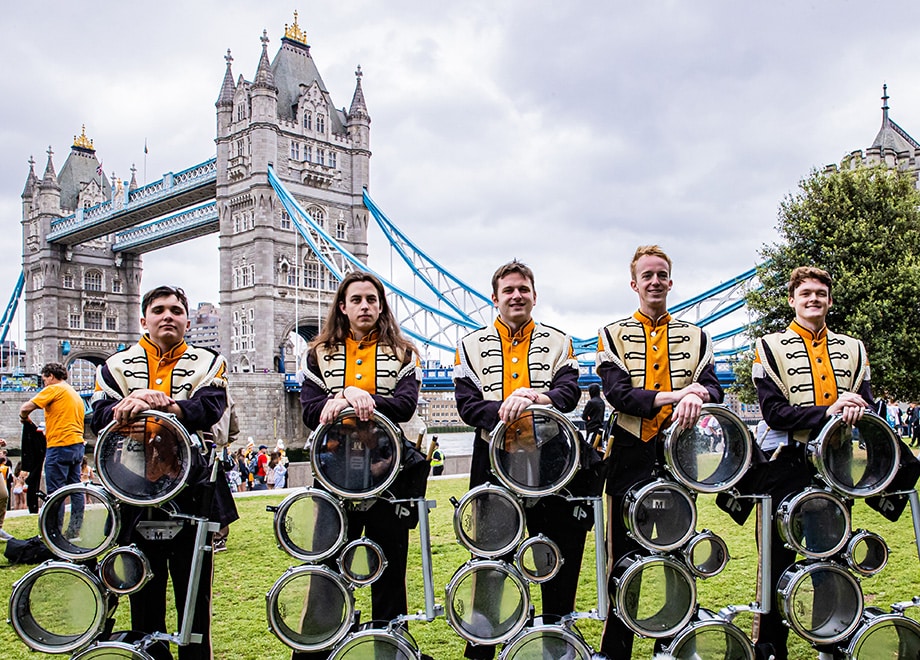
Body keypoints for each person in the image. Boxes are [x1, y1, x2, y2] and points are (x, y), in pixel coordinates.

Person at [90, 285, 237, 660]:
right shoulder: (113, 366)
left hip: (193, 490)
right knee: (142, 592)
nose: (167, 316)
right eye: (158, 310)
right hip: (134, 489)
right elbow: (97, 417)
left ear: (187, 321)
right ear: (144, 320)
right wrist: (129, 403)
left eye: (175, 310)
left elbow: (209, 407)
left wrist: (165, 404)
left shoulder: (211, 361)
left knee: (195, 596)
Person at [596, 245, 723, 658]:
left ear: (671, 281)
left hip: (677, 457)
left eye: (661, 275)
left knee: (677, 556)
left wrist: (699, 392)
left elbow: (716, 388)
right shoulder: (610, 333)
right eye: (647, 275)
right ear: (634, 283)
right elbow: (618, 395)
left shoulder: (698, 336)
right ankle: (618, 649)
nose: (655, 282)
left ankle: (674, 644)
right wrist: (678, 394)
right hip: (629, 454)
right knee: (623, 560)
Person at [453, 260, 582, 660]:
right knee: (489, 561)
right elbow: (467, 406)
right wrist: (507, 408)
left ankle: (556, 644)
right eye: (508, 290)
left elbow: (569, 392)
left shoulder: (561, 341)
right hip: (492, 462)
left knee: (553, 556)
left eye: (523, 289)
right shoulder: (468, 345)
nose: (516, 296)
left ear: (534, 295)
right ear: (495, 298)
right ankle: (483, 647)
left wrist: (533, 398)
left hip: (551, 463)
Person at [297, 271, 425, 660]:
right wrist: (341, 399)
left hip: (388, 473)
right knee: (327, 571)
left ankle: (390, 650)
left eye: (372, 299)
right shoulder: (315, 354)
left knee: (389, 572)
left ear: (381, 305)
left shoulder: (405, 351)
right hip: (334, 475)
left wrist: (353, 396)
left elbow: (404, 405)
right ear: (343, 306)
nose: (365, 306)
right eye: (357, 300)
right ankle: (318, 650)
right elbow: (308, 411)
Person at [751, 266, 874, 660]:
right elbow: (774, 412)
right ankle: (770, 646)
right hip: (785, 464)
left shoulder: (854, 347)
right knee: (775, 560)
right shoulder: (768, 346)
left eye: (821, 293)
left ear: (830, 300)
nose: (814, 299)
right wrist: (829, 410)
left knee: (831, 558)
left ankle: (830, 641)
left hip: (836, 466)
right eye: (805, 294)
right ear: (792, 300)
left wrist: (857, 406)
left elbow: (866, 402)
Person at [20, 362, 86, 538]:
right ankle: (74, 531)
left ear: (51, 376)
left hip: (59, 445)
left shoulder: (54, 389)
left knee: (56, 493)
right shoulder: (74, 394)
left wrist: (23, 418)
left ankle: (54, 532)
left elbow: (25, 408)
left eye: (44, 380)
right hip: (77, 445)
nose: (44, 384)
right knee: (76, 490)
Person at [209, 389, 240, 552]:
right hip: (217, 449)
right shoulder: (225, 394)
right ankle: (219, 536)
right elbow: (234, 426)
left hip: (203, 448)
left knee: (214, 495)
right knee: (218, 494)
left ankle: (217, 536)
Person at [581, 382, 606, 447]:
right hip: (600, 428)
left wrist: (588, 417)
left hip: (591, 429)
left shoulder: (591, 402)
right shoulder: (602, 402)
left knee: (589, 447)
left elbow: (584, 416)